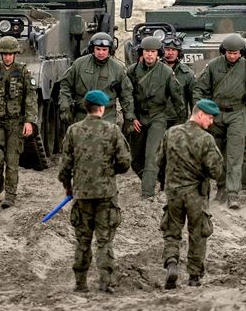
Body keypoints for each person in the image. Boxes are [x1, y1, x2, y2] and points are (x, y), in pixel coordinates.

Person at [57, 89, 132, 293]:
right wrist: (109, 172)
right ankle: (105, 282)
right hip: (106, 194)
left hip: (82, 195)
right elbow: (125, 162)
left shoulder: (73, 131)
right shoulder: (113, 130)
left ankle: (80, 283)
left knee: (82, 241)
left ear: (86, 107)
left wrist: (68, 187)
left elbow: (64, 166)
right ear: (102, 108)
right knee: (104, 240)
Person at [159, 99, 225, 289]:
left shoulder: (171, 133)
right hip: (196, 193)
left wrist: (166, 181)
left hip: (173, 192)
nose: (211, 122)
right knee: (198, 233)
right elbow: (216, 170)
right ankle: (194, 276)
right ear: (200, 114)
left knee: (171, 231)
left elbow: (159, 161)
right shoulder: (206, 139)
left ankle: (172, 263)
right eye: (210, 118)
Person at [194, 34, 246, 209]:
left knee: (235, 154)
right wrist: (201, 110)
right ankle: (221, 187)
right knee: (216, 154)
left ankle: (233, 193)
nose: (232, 56)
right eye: (229, 53)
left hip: (237, 113)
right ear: (223, 51)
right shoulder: (213, 66)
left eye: (236, 53)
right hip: (215, 114)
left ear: (242, 52)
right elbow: (199, 89)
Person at [0, 36, 38, 209]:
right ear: (0, 54)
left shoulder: (23, 72)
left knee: (12, 160)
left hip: (15, 123)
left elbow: (31, 98)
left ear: (15, 54)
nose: (8, 57)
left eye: (11, 54)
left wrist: (29, 121)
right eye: (4, 54)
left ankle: (10, 195)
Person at [128, 36, 185, 199]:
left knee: (151, 156)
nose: (149, 55)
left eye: (153, 52)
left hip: (158, 117)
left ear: (158, 54)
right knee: (136, 159)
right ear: (141, 53)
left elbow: (177, 98)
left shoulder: (166, 72)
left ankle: (147, 193)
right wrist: (131, 117)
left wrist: (181, 123)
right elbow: (127, 95)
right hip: (138, 117)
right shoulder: (132, 71)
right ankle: (158, 179)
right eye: (146, 51)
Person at [59, 32, 136, 127]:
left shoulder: (118, 69)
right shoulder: (79, 64)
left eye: (104, 49)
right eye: (98, 49)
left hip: (107, 116)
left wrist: (129, 117)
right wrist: (65, 107)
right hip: (82, 115)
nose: (101, 53)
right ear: (92, 49)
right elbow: (65, 85)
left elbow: (126, 94)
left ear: (110, 50)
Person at [162, 35, 197, 128]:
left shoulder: (187, 73)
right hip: (157, 119)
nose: (170, 53)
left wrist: (195, 118)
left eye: (174, 50)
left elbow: (193, 98)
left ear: (178, 52)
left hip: (178, 120)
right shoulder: (155, 70)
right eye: (167, 50)